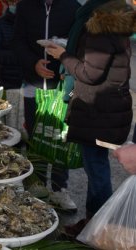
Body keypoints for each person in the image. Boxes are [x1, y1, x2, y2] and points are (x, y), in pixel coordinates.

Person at [46, 0, 135, 237]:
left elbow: (90, 74)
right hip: (108, 109)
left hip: (99, 112)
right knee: (97, 167)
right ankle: (94, 222)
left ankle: (98, 227)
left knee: (97, 170)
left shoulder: (100, 27)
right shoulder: (115, 23)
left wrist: (63, 55)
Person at [12, 0, 80, 212]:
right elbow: (18, 42)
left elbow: (80, 44)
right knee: (35, 137)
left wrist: (66, 59)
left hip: (62, 85)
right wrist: (33, 63)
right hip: (33, 84)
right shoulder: (25, 6)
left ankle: (60, 189)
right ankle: (36, 187)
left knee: (61, 138)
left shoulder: (73, 7)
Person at [0, 0, 23, 130]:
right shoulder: (1, 23)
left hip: (32, 82)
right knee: (10, 125)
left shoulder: (34, 22)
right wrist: (17, 57)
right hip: (9, 81)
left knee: (27, 125)